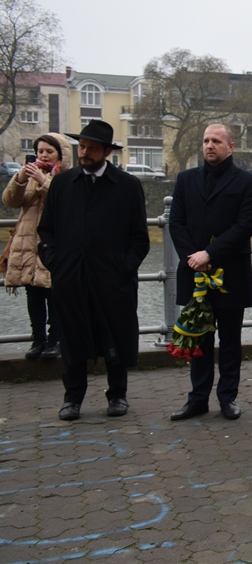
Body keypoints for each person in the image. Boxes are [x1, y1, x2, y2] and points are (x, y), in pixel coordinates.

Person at [36, 120, 150, 421]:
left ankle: (117, 395)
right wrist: (54, 261)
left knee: (114, 335)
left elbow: (140, 238)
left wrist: (124, 268)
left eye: (92, 148)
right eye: (82, 146)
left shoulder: (127, 186)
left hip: (113, 281)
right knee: (72, 339)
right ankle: (72, 398)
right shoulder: (62, 184)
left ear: (107, 152)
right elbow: (45, 231)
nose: (85, 153)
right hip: (70, 278)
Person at [168, 125, 252, 422]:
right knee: (198, 338)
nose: (210, 146)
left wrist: (211, 253)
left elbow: (245, 225)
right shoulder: (185, 179)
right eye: (206, 140)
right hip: (194, 272)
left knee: (231, 340)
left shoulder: (248, 181)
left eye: (216, 141)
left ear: (230, 146)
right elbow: (176, 223)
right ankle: (197, 398)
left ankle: (228, 398)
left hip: (230, 273)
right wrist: (194, 258)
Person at [3, 133, 72, 360]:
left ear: (61, 155)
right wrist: (20, 179)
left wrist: (44, 183)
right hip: (28, 243)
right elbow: (11, 201)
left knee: (54, 293)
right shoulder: (30, 176)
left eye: (49, 152)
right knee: (33, 293)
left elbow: (65, 202)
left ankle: (55, 340)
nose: (43, 155)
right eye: (40, 151)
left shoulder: (68, 178)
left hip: (52, 244)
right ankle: (38, 339)